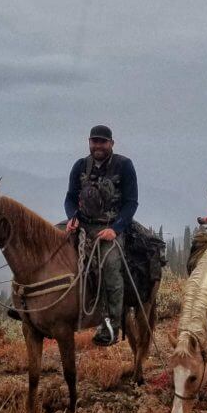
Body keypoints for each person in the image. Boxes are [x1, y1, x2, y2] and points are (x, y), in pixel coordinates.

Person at [64, 125, 138, 346]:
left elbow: (131, 203)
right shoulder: (79, 166)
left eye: (102, 142)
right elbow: (69, 198)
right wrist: (71, 217)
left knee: (111, 266)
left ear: (111, 144)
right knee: (50, 244)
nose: (98, 145)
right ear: (89, 142)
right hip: (82, 225)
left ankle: (111, 326)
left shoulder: (124, 166)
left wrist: (115, 229)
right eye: (94, 141)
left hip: (110, 228)